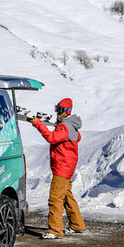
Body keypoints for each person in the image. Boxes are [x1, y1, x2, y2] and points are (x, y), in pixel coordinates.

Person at [29, 98, 86, 239]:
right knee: (67, 196)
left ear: (65, 112)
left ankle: (55, 231)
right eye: (56, 108)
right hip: (68, 166)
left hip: (62, 168)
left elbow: (51, 138)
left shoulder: (64, 127)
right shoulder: (71, 125)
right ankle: (77, 224)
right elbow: (77, 137)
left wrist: (37, 123)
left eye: (58, 110)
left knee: (55, 198)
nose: (56, 112)